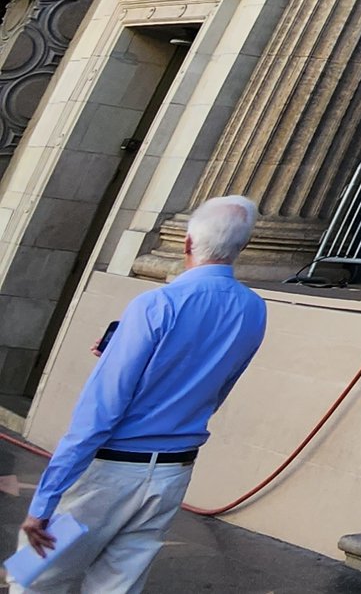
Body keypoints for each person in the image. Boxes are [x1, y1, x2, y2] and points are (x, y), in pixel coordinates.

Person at [15, 194, 267, 593]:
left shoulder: (155, 304)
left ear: (186, 242)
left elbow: (98, 412)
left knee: (35, 579)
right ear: (242, 247)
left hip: (108, 472)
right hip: (172, 471)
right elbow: (217, 387)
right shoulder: (254, 309)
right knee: (118, 586)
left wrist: (44, 502)